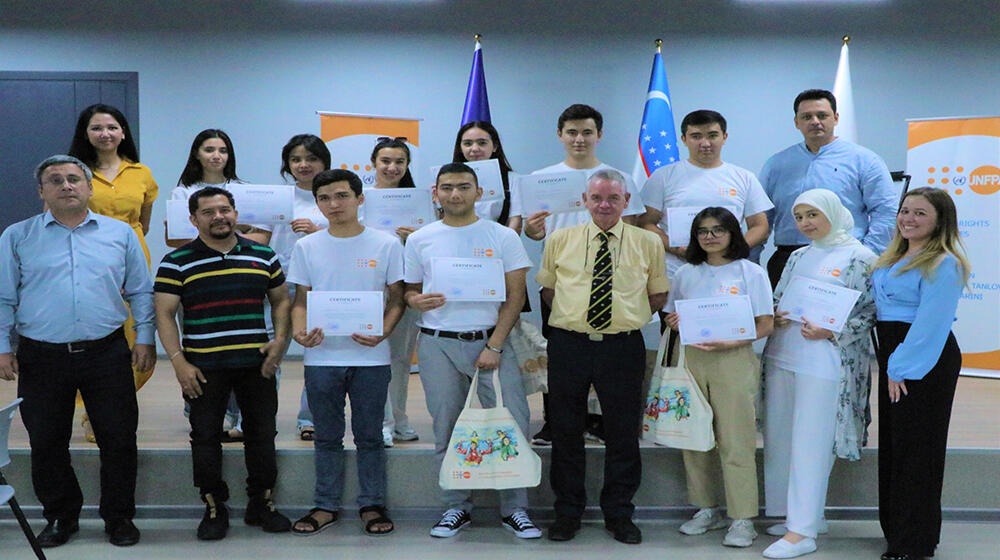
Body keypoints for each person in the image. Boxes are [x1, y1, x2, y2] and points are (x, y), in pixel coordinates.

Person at [0, 155, 154, 548]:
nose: (66, 186)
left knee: (118, 438)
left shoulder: (120, 234)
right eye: (55, 180)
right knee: (46, 440)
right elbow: (4, 297)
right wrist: (2, 347)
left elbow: (140, 290)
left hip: (106, 353)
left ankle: (118, 518)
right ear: (42, 192)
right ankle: (60, 516)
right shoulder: (17, 237)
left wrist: (146, 338)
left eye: (74, 179)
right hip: (41, 356)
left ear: (88, 188)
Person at [404, 163, 541, 540]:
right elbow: (409, 291)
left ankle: (515, 509)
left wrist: (494, 345)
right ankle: (455, 506)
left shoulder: (502, 237)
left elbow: (516, 297)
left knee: (512, 424)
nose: (455, 194)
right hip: (436, 343)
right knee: (446, 426)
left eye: (464, 187)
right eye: (447, 188)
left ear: (479, 193)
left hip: (493, 342)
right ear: (435, 193)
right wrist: (416, 299)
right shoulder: (421, 238)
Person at [154, 187, 292, 541]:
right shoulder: (177, 261)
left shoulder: (262, 254)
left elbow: (280, 302)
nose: (219, 217)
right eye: (209, 212)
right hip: (202, 368)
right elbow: (165, 315)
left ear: (235, 213)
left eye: (225, 210)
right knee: (204, 438)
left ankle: (262, 502)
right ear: (193, 219)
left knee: (262, 435)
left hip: (256, 363)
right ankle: (214, 505)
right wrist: (178, 363)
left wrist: (279, 342)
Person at [538, 169, 668, 545]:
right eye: (597, 198)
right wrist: (577, 320)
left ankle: (620, 513)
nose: (605, 205)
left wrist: (620, 321)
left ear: (627, 201)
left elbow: (656, 295)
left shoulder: (648, 242)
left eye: (613, 198)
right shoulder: (560, 239)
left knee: (623, 432)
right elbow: (549, 291)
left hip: (622, 347)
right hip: (569, 344)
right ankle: (567, 513)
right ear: (584, 200)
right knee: (565, 430)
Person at [760, 189, 877, 559]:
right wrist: (776, 314)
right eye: (799, 216)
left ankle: (802, 532)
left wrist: (833, 331)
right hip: (785, 354)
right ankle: (801, 515)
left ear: (833, 212)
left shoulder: (861, 257)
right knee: (782, 437)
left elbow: (870, 313)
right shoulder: (798, 255)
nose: (806, 223)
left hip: (825, 362)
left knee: (812, 442)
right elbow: (781, 297)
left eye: (813, 214)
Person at [288, 169, 405, 536]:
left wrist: (383, 332)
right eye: (324, 198)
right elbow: (300, 301)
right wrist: (299, 332)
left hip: (371, 356)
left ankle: (372, 504)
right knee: (326, 435)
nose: (333, 204)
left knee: (370, 435)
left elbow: (398, 299)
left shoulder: (385, 244)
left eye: (341, 196)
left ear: (360, 198)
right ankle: (325, 505)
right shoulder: (307, 246)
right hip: (322, 356)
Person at [524, 103, 645, 445]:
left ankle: (605, 422)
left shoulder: (620, 178)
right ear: (560, 135)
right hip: (561, 281)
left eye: (587, 132)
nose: (580, 139)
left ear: (599, 135)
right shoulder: (541, 179)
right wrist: (533, 230)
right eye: (572, 132)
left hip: (611, 281)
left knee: (610, 362)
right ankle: (556, 421)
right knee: (560, 356)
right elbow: (535, 234)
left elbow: (633, 227)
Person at [665, 207, 774, 549]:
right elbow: (672, 313)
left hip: (733, 359)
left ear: (733, 234)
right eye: (702, 231)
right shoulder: (685, 273)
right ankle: (705, 508)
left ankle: (742, 518)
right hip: (692, 359)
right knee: (694, 437)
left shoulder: (750, 272)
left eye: (717, 230)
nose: (709, 236)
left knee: (736, 439)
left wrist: (734, 340)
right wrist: (673, 322)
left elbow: (765, 323)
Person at [871, 187, 969, 560]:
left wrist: (899, 367)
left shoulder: (944, 263)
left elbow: (931, 324)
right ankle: (899, 530)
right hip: (896, 355)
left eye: (920, 213)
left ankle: (914, 541)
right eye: (905, 211)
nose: (908, 219)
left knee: (919, 449)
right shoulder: (893, 256)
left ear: (940, 220)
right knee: (897, 447)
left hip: (922, 358)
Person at [169, 128, 272, 441]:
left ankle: (242, 417)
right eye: (209, 149)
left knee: (247, 351)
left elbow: (263, 238)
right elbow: (175, 239)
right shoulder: (182, 192)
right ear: (196, 154)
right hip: (197, 282)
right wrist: (237, 231)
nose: (216, 156)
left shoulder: (246, 190)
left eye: (223, 150)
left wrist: (213, 235)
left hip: (243, 282)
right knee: (201, 350)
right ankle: (203, 414)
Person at [67, 103, 159, 442]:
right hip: (89, 261)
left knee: (135, 339)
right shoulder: (74, 171)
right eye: (96, 128)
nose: (105, 133)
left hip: (133, 259)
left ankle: (114, 405)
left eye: (112, 127)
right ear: (86, 134)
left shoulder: (141, 173)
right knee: (95, 339)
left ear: (123, 132)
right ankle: (93, 412)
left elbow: (143, 224)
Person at [759, 89, 897, 288]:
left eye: (822, 115)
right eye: (807, 117)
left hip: (845, 259)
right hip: (788, 258)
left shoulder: (864, 160)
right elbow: (762, 218)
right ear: (796, 122)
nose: (815, 121)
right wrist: (749, 259)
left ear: (836, 118)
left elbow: (886, 211)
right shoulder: (776, 164)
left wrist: (867, 256)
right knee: (784, 319)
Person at [639, 109, 772, 281]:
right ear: (684, 140)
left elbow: (760, 226)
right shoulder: (663, 176)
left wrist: (732, 250)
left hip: (729, 273)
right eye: (696, 136)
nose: (705, 143)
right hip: (675, 272)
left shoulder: (744, 177)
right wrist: (676, 248)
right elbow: (645, 223)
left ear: (724, 137)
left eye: (712, 135)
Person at [272, 134, 330, 440]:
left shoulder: (335, 196)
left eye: (311, 158)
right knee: (270, 352)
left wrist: (319, 230)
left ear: (324, 162)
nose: (303, 165)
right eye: (296, 159)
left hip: (319, 287)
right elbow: (260, 238)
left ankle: (310, 419)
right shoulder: (278, 197)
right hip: (279, 285)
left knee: (317, 355)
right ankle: (258, 418)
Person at [369, 137, 421, 447]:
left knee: (401, 359)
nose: (392, 167)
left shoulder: (420, 202)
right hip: (371, 290)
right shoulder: (361, 199)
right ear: (374, 164)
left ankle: (399, 418)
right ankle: (382, 423)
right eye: (385, 161)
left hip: (406, 290)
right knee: (377, 358)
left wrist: (416, 237)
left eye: (399, 162)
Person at [452, 121, 523, 233]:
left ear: (495, 146)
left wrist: (504, 245)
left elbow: (515, 220)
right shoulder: (447, 180)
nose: (474, 149)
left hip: (498, 244)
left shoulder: (513, 180)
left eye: (482, 143)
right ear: (460, 148)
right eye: (468, 143)